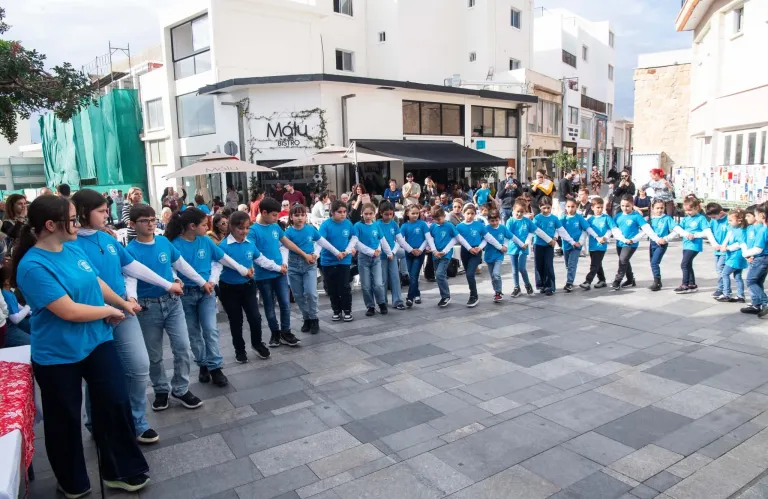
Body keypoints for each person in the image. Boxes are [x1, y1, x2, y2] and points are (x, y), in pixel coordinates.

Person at [13, 195, 150, 495]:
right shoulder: (32, 266)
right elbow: (69, 311)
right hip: (58, 354)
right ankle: (72, 481)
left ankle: (121, 469)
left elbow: (96, 282)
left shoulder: (73, 248)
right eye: (73, 220)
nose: (78, 224)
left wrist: (121, 303)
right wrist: (108, 311)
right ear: (51, 225)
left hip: (97, 341)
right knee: (65, 419)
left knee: (115, 401)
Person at [71, 188, 183, 445]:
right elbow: (83, 284)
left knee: (140, 366)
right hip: (93, 315)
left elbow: (132, 268)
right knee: (97, 374)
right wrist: (109, 307)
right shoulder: (71, 244)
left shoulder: (107, 239)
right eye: (101, 211)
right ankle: (95, 422)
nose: (107, 214)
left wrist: (167, 285)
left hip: (122, 311)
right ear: (84, 212)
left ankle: (136, 420)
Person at [125, 204, 205, 412]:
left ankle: (181, 388)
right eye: (144, 221)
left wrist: (202, 282)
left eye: (153, 219)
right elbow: (130, 278)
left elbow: (180, 264)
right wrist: (132, 298)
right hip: (147, 307)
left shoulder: (163, 242)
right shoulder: (130, 251)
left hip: (172, 302)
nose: (150, 224)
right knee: (154, 354)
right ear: (132, 224)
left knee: (183, 346)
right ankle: (161, 389)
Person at [249, 197, 311, 346]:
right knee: (269, 305)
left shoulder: (275, 227)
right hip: (264, 275)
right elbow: (256, 256)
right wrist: (276, 267)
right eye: (274, 215)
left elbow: (286, 243)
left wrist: (303, 255)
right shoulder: (253, 231)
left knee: (285, 303)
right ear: (264, 212)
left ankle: (286, 331)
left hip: (280, 273)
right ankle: (275, 333)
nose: (277, 218)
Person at [217, 211, 275, 362]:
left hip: (248, 286)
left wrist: (277, 267)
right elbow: (217, 267)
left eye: (247, 228)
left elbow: (261, 259)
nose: (244, 231)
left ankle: (257, 344)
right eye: (240, 228)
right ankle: (240, 350)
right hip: (229, 289)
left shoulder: (249, 244)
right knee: (236, 320)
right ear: (231, 227)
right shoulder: (223, 246)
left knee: (255, 317)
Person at [285, 205, 332, 334]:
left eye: (302, 215)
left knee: (311, 293)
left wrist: (317, 254)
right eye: (296, 215)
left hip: (309, 265)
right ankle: (306, 318)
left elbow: (322, 242)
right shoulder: (288, 232)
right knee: (298, 295)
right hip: (293, 267)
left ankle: (314, 318)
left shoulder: (311, 229)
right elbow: (282, 248)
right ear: (291, 217)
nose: (300, 218)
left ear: (306, 216)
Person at [610, 195, 663, 291]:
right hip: (620, 243)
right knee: (625, 261)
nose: (625, 208)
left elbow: (646, 229)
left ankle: (617, 280)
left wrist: (656, 239)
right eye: (622, 206)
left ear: (632, 205)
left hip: (631, 244)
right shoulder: (618, 216)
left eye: (627, 206)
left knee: (623, 260)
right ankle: (630, 279)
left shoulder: (636, 216)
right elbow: (613, 229)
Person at [319, 200, 357, 322]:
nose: (342, 214)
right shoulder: (325, 225)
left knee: (345, 286)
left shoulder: (348, 223)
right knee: (332, 287)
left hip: (344, 260)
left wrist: (347, 250)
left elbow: (353, 238)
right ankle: (336, 310)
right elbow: (321, 241)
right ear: (332, 212)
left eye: (344, 211)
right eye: (339, 212)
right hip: (328, 261)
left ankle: (347, 310)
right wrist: (336, 253)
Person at [354, 203, 391, 316]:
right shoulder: (358, 226)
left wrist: (389, 252)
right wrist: (370, 252)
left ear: (374, 214)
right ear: (362, 213)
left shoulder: (376, 225)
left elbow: (382, 239)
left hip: (376, 259)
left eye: (370, 213)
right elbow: (356, 242)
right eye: (366, 214)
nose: (368, 216)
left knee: (378, 284)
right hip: (364, 258)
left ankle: (382, 303)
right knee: (366, 285)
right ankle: (370, 306)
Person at [507, 199, 547, 297]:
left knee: (522, 268)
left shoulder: (527, 221)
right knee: (514, 269)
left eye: (522, 212)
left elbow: (532, 231)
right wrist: (520, 243)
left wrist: (527, 242)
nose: (519, 214)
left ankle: (528, 285)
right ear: (513, 210)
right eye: (518, 211)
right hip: (513, 247)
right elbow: (509, 235)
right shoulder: (510, 221)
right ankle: (516, 287)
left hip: (523, 248)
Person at [532, 196, 572, 296]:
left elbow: (561, 230)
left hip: (549, 246)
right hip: (538, 244)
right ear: (540, 207)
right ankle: (541, 285)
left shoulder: (554, 218)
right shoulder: (537, 218)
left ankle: (549, 286)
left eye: (548, 208)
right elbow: (537, 231)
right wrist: (549, 240)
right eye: (544, 208)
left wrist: (571, 241)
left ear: (551, 207)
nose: (546, 210)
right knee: (539, 265)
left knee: (548, 265)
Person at [673, 197, 712, 294]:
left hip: (694, 245)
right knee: (688, 264)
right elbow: (678, 229)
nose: (688, 212)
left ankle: (685, 284)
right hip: (686, 244)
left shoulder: (701, 218)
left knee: (684, 264)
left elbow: (706, 231)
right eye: (686, 211)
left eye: (690, 210)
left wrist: (695, 235)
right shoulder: (686, 219)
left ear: (696, 208)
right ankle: (692, 284)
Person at [456, 204, 490, 308]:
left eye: (472, 213)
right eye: (468, 213)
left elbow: (487, 238)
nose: (470, 216)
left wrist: (479, 248)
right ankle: (473, 292)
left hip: (476, 252)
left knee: (470, 273)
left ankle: (473, 295)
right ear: (463, 213)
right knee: (468, 274)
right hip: (465, 252)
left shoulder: (479, 225)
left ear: (475, 214)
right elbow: (454, 239)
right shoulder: (459, 226)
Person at [579, 197, 614, 290]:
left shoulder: (606, 218)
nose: (600, 209)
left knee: (594, 265)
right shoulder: (590, 219)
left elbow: (610, 229)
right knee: (598, 264)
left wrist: (605, 237)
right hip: (592, 246)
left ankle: (588, 281)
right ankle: (602, 280)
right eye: (598, 207)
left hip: (601, 245)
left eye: (601, 207)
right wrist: (580, 242)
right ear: (592, 207)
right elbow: (586, 231)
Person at [484, 207, 517, 302]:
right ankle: (496, 291)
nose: (494, 223)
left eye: (496, 220)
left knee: (496, 274)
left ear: (499, 219)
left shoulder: (502, 228)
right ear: (488, 220)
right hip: (489, 255)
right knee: (493, 276)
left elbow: (509, 237)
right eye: (492, 221)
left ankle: (498, 292)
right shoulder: (486, 229)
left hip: (499, 255)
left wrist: (506, 246)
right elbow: (483, 240)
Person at [377, 202, 405, 311]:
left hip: (392, 254)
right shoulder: (377, 224)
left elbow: (399, 240)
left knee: (395, 277)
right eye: (386, 214)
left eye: (390, 214)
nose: (388, 217)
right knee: (383, 279)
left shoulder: (393, 224)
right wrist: (388, 252)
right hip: (381, 256)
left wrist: (393, 252)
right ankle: (383, 301)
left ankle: (397, 301)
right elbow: (379, 241)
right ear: (381, 213)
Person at [427, 206, 457, 307]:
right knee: (439, 275)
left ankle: (446, 296)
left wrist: (445, 251)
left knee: (439, 274)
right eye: (435, 219)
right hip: (435, 255)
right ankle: (444, 295)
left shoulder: (449, 226)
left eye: (439, 219)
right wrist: (431, 249)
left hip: (446, 254)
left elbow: (456, 238)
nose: (437, 221)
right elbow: (429, 238)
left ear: (444, 216)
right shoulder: (433, 226)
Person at [740, 203, 767, 317]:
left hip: (760, 258)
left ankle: (765, 302)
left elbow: (758, 248)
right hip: (763, 259)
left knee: (750, 281)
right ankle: (757, 304)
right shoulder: (761, 229)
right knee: (758, 281)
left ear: (762, 215)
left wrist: (746, 254)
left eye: (755, 215)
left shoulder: (763, 230)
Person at [399, 205, 429, 307]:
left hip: (419, 253)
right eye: (413, 213)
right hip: (409, 253)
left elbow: (427, 238)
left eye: (417, 213)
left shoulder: (422, 224)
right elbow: (400, 240)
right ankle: (417, 294)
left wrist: (420, 250)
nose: (415, 215)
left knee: (414, 275)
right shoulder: (404, 226)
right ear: (407, 214)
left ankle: (410, 298)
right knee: (412, 275)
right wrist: (411, 250)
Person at [716, 209, 749, 303]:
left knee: (725, 273)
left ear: (739, 220)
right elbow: (727, 237)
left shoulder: (741, 231)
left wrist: (727, 248)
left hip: (735, 257)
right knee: (737, 276)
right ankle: (740, 296)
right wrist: (723, 246)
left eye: (731, 220)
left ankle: (726, 294)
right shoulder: (733, 229)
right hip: (735, 257)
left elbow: (740, 244)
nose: (729, 222)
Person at [559, 199, 592, 292]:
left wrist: (581, 242)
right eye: (568, 206)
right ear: (565, 207)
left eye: (573, 206)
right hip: (566, 245)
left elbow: (586, 228)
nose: (570, 209)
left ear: (576, 207)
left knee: (572, 264)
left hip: (576, 246)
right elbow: (558, 229)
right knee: (567, 264)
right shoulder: (563, 218)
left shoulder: (579, 218)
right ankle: (570, 279)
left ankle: (569, 282)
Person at [647, 199, 676, 291]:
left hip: (662, 244)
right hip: (653, 243)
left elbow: (676, 231)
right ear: (652, 209)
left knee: (654, 262)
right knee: (652, 262)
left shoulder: (667, 219)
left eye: (661, 208)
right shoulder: (650, 220)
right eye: (657, 208)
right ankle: (656, 280)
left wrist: (666, 239)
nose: (659, 210)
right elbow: (646, 231)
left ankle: (657, 282)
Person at [0, 266, 30, 347]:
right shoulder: (6, 295)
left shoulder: (9, 291)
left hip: (13, 325)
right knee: (31, 343)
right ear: (6, 281)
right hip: (9, 329)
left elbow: (16, 305)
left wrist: (30, 311)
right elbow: (15, 319)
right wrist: (28, 306)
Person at [706, 203, 730, 299]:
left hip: (725, 249)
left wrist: (724, 245)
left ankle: (722, 288)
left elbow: (730, 234)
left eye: (714, 217)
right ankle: (724, 288)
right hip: (717, 249)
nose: (713, 219)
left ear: (721, 213)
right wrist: (714, 243)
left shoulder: (728, 220)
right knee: (718, 269)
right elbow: (710, 232)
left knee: (721, 269)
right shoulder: (713, 220)